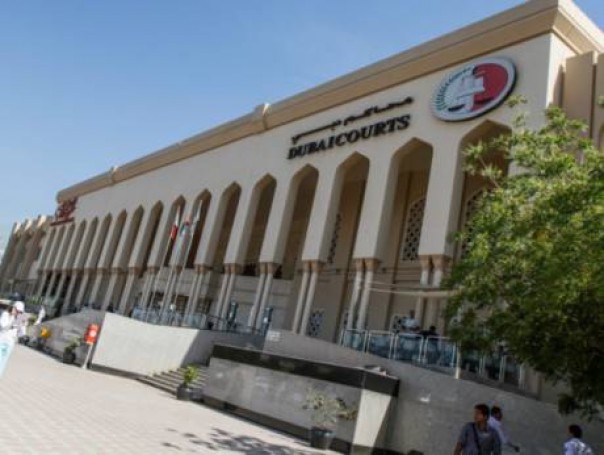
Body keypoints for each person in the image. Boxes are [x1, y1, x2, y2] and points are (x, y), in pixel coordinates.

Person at [0, 301, 26, 378]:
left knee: (3, 362)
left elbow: (21, 334)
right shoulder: (6, 314)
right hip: (1, 340)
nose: (18, 313)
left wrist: (23, 325)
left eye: (20, 312)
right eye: (17, 310)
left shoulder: (19, 319)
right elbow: (3, 327)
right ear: (13, 308)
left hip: (10, 343)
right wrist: (13, 322)